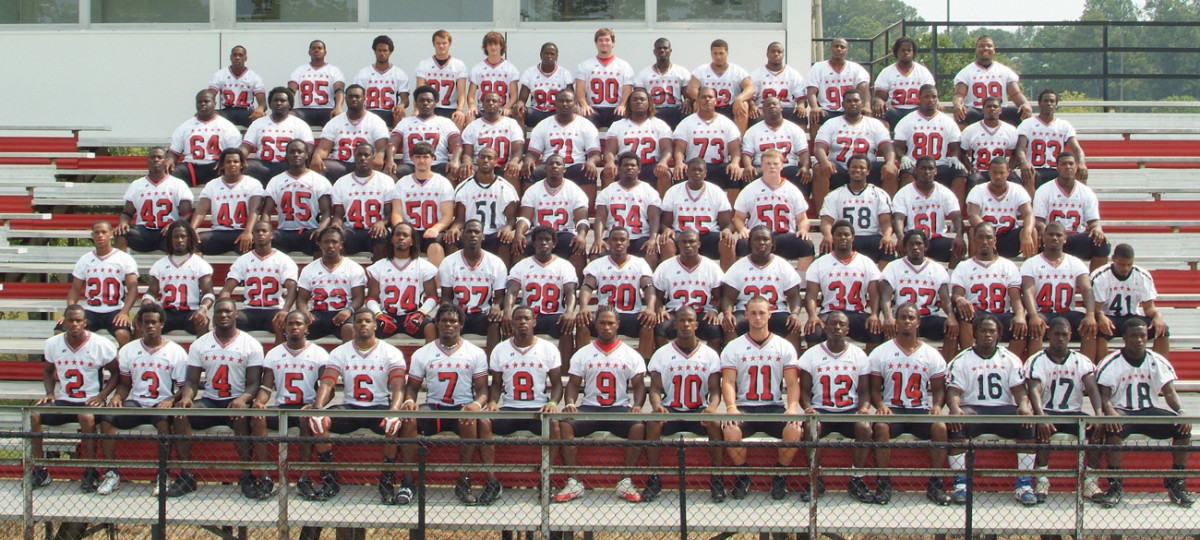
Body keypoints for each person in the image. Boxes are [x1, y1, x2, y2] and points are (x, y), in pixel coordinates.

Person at [399, 303, 496, 505]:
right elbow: (412, 388)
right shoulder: (422, 353)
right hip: (434, 407)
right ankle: (408, 480)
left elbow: (482, 390)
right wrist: (409, 401)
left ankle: (464, 479)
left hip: (462, 406)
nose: (448, 325)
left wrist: (477, 405)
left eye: (453, 321)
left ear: (461, 324)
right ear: (436, 324)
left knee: (469, 419)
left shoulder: (475, 352)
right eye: (443, 321)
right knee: (408, 419)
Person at [169, 298, 267, 499]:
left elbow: (255, 383)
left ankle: (246, 475)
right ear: (213, 317)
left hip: (236, 400)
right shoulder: (200, 344)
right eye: (219, 312)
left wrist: (243, 398)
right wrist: (187, 397)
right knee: (181, 413)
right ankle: (187, 474)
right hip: (211, 400)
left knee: (240, 416)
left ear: (236, 314)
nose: (223, 315)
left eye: (227, 311)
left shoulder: (251, 344)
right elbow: (192, 381)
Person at [309, 309, 408, 504]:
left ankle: (387, 478)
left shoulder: (390, 352)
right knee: (318, 421)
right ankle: (329, 477)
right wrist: (317, 407)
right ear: (353, 326)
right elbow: (327, 382)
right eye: (359, 321)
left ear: (375, 325)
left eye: (367, 321)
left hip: (378, 407)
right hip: (350, 408)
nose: (363, 324)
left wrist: (394, 411)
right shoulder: (340, 352)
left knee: (394, 424)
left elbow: (398, 386)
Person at [1093, 319, 1194, 508]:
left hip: (1149, 410)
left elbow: (1169, 392)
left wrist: (1181, 411)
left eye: (1142, 336)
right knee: (1113, 430)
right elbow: (1104, 397)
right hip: (1123, 411)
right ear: (1124, 338)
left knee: (1182, 428)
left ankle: (1176, 482)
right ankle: (1115, 485)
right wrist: (1111, 412)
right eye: (1134, 336)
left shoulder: (1156, 360)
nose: (1139, 340)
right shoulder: (1111, 362)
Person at [554, 306, 648, 503]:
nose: (606, 327)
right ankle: (574, 481)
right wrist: (570, 403)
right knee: (564, 424)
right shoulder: (583, 353)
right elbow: (572, 384)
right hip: (590, 407)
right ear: (595, 325)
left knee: (639, 426)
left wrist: (637, 405)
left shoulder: (630, 354)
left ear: (618, 325)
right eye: (602, 323)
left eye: (610, 323)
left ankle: (625, 480)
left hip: (618, 408)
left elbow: (639, 386)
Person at [945, 315, 1038, 505]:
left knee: (1027, 422)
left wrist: (1023, 405)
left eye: (992, 331)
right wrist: (954, 408)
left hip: (1001, 409)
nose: (987, 334)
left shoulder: (1010, 359)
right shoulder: (962, 359)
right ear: (975, 333)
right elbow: (953, 392)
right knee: (955, 423)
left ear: (998, 335)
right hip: (974, 410)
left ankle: (1024, 483)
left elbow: (1020, 390)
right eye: (983, 330)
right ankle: (961, 483)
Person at [719, 295, 803, 500]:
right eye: (753, 313)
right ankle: (743, 473)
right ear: (746, 315)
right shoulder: (734, 347)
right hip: (745, 407)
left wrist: (792, 407)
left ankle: (779, 475)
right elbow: (728, 382)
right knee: (730, 429)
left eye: (762, 313)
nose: (758, 317)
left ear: (769, 315)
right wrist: (731, 407)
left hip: (773, 407)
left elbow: (792, 383)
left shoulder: (783, 346)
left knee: (794, 428)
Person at [97, 303, 187, 496]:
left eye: (154, 322)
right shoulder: (129, 350)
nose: (150, 326)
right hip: (137, 402)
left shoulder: (176, 352)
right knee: (107, 417)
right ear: (139, 324)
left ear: (162, 324)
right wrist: (117, 397)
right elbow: (124, 384)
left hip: (160, 402)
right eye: (145, 322)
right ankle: (112, 473)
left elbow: (183, 387)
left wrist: (171, 399)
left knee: (164, 422)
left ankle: (163, 474)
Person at [868, 302, 952, 505]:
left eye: (911, 318)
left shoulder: (931, 355)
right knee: (880, 426)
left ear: (918, 322)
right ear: (896, 322)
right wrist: (879, 405)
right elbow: (873, 389)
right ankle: (884, 482)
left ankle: (936, 483)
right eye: (903, 317)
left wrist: (938, 406)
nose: (907, 321)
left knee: (940, 426)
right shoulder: (881, 352)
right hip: (893, 408)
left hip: (920, 409)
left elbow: (939, 389)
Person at [32, 304, 118, 492]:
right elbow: (48, 372)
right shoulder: (53, 344)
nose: (74, 324)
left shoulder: (100, 344)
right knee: (34, 414)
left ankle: (90, 470)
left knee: (86, 417)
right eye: (70, 320)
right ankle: (40, 469)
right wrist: (50, 393)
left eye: (78, 320)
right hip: (66, 400)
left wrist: (102, 395)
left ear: (85, 323)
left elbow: (116, 374)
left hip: (90, 400)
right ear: (63, 322)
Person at [644, 306, 726, 501]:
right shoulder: (662, 354)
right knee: (653, 421)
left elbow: (715, 390)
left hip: (697, 410)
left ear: (697, 325)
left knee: (714, 423)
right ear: (675, 324)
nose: (686, 324)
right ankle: (654, 477)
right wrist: (657, 405)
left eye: (690, 321)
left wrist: (712, 407)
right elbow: (655, 389)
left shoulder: (709, 354)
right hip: (671, 408)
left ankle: (717, 477)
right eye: (682, 320)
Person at [485, 305, 564, 498]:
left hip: (537, 409)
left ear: (534, 322)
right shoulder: (500, 350)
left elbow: (557, 385)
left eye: (527, 318)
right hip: (510, 408)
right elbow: (495, 385)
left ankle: (546, 479)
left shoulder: (548, 348)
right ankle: (491, 480)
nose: (522, 322)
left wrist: (552, 404)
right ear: (511, 322)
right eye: (518, 318)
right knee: (483, 421)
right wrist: (493, 402)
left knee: (554, 423)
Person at [797, 311, 875, 503]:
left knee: (864, 426)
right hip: (821, 410)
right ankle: (815, 478)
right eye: (833, 324)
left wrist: (864, 408)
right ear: (825, 326)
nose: (837, 328)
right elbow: (804, 392)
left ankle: (857, 479)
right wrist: (808, 408)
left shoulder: (859, 355)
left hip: (848, 410)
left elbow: (864, 392)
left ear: (848, 329)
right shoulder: (811, 355)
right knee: (810, 427)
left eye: (841, 325)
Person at [1024, 316, 1104, 502]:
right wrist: (1041, 416)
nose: (1060, 338)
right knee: (1042, 429)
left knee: (1098, 428)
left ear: (1070, 337)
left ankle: (1090, 481)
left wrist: (1099, 414)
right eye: (1057, 334)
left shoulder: (1081, 361)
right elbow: (1034, 390)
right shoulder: (1037, 360)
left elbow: (1092, 389)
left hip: (1073, 413)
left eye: (1064, 335)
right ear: (1049, 335)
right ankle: (1042, 479)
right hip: (1047, 411)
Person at [251, 311, 328, 503]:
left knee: (306, 418)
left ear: (306, 327)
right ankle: (266, 476)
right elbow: (265, 387)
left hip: (306, 406)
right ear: (284, 328)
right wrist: (259, 402)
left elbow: (329, 389)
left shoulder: (319, 353)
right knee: (257, 417)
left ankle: (304, 477)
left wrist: (315, 405)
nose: (294, 327)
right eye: (290, 324)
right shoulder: (274, 354)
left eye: (298, 324)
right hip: (282, 408)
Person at [719, 226, 806, 352]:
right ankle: (730, 364)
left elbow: (794, 295)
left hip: (775, 310)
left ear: (772, 243)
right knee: (730, 324)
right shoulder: (739, 267)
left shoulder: (783, 266)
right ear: (749, 243)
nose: (761, 242)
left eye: (765, 239)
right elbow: (728, 296)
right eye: (757, 239)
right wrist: (727, 314)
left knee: (792, 324)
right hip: (746, 312)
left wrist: (795, 313)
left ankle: (793, 366)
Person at [1021, 221, 1099, 360]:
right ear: (1043, 237)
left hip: (1067, 313)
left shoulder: (1075, 263)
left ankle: (1087, 369)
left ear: (1065, 238)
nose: (1054, 238)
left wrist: (1090, 315)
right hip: (1043, 312)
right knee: (1036, 326)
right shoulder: (1031, 263)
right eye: (1050, 234)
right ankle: (1034, 369)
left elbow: (1087, 289)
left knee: (1089, 327)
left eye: (1058, 235)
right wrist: (1033, 315)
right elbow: (1027, 290)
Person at [576, 227, 656, 360]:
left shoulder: (639, 263)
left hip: (631, 314)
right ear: (608, 242)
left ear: (628, 242)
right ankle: (584, 361)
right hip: (604, 315)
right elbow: (586, 287)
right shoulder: (597, 264)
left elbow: (648, 287)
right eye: (614, 239)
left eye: (622, 240)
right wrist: (583, 307)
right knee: (582, 322)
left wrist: (650, 308)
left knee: (648, 322)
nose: (618, 243)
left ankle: (643, 365)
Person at [879, 230, 959, 361]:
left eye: (918, 244)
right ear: (905, 247)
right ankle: (890, 364)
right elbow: (886, 297)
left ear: (925, 246)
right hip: (903, 318)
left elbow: (945, 299)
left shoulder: (937, 269)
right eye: (911, 244)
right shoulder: (893, 267)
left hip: (928, 317)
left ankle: (946, 368)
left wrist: (951, 316)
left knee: (952, 328)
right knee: (890, 326)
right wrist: (888, 317)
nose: (915, 247)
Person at [804, 220, 885, 350]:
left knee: (875, 331)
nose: (842, 237)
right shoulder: (820, 263)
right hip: (829, 313)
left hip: (857, 312)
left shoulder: (866, 263)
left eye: (846, 235)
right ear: (832, 237)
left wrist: (874, 314)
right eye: (839, 234)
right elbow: (810, 295)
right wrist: (812, 316)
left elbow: (875, 294)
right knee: (814, 331)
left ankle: (871, 368)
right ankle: (816, 366)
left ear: (852, 238)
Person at [503, 226, 579, 363]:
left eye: (547, 239)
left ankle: (565, 371)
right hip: (529, 315)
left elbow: (570, 292)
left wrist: (569, 312)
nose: (543, 243)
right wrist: (508, 311)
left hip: (555, 315)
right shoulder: (522, 265)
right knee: (510, 322)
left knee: (567, 325)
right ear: (534, 243)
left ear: (554, 244)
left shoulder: (564, 266)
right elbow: (511, 292)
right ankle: (511, 363)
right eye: (539, 239)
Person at [950, 222, 1028, 355]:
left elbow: (1015, 298)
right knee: (962, 314)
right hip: (976, 314)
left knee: (1021, 323)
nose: (984, 241)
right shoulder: (963, 266)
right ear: (974, 240)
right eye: (980, 237)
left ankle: (1011, 364)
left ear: (994, 240)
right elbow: (956, 294)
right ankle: (968, 357)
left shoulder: (1008, 266)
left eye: (988, 237)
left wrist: (1020, 315)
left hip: (1001, 315)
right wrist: (960, 299)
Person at [730, 149, 814, 272]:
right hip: (758, 237)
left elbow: (803, 219)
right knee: (742, 243)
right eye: (768, 164)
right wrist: (742, 229)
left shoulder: (792, 190)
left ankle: (800, 283)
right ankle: (744, 278)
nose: (772, 167)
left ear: (782, 166)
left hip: (784, 235)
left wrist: (803, 229)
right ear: (762, 165)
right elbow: (738, 217)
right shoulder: (750, 189)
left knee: (806, 245)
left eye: (775, 164)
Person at [812, 89, 897, 209]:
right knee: (819, 167)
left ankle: (888, 212)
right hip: (840, 169)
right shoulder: (831, 123)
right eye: (849, 101)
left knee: (891, 170)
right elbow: (819, 147)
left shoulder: (874, 124)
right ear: (843, 105)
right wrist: (825, 161)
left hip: (867, 170)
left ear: (862, 103)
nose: (853, 104)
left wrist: (890, 162)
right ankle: (822, 214)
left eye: (856, 100)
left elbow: (887, 147)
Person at [510, 154, 591, 273]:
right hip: (539, 233)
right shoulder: (533, 190)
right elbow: (525, 218)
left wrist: (581, 235)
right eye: (551, 164)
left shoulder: (574, 190)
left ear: (564, 169)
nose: (554, 166)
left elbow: (582, 219)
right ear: (545, 168)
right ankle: (518, 279)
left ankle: (576, 286)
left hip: (564, 232)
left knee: (577, 245)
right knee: (520, 245)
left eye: (558, 164)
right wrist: (518, 233)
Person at [220, 221, 298, 344]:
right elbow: (226, 290)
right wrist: (225, 309)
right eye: (257, 231)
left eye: (264, 231)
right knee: (225, 321)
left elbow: (292, 288)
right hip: (249, 310)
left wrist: (285, 310)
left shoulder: (283, 260)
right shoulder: (243, 260)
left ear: (271, 235)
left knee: (283, 321)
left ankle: (277, 359)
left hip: (274, 309)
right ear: (253, 234)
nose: (260, 234)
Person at [63, 221, 139, 347]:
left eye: (103, 232)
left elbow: (133, 288)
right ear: (92, 235)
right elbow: (75, 289)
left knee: (123, 334)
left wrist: (125, 312)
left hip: (114, 309)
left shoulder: (124, 258)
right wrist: (69, 312)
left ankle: (123, 365)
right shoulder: (85, 260)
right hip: (90, 310)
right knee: (61, 330)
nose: (100, 235)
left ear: (110, 234)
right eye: (97, 232)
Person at [892, 85, 968, 207]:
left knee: (959, 172)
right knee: (907, 172)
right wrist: (903, 157)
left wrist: (954, 157)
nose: (930, 100)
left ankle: (955, 209)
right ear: (919, 99)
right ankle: (907, 208)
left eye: (934, 97)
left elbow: (955, 147)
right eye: (926, 97)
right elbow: (898, 147)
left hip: (940, 164)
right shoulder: (907, 120)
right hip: (915, 164)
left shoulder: (947, 121)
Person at [439, 220, 508, 354]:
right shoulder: (449, 262)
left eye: (477, 232)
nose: (473, 235)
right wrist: (446, 311)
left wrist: (496, 307)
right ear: (462, 235)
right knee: (444, 320)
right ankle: (446, 357)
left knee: (494, 321)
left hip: (483, 314)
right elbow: (446, 296)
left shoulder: (495, 263)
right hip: (458, 313)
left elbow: (500, 297)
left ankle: (491, 364)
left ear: (483, 236)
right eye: (469, 231)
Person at [1032, 152, 1111, 270]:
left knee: (1102, 244)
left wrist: (1097, 229)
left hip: (1076, 237)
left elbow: (1093, 221)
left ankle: (1093, 281)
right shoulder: (1044, 190)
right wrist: (1043, 229)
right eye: (1064, 164)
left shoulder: (1086, 192)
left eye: (1071, 164)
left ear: (1076, 167)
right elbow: (1038, 220)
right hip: (1052, 238)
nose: (1067, 166)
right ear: (1057, 167)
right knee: (1036, 236)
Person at [522, 89, 602, 203]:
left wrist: (592, 161)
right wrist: (529, 160)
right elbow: (532, 153)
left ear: (575, 104)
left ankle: (585, 213)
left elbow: (596, 154)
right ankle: (530, 207)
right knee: (529, 172)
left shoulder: (586, 125)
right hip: (550, 166)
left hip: (574, 165)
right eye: (561, 101)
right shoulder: (543, 124)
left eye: (568, 101)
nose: (564, 104)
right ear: (555, 103)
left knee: (588, 172)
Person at [1091, 244, 1171, 359]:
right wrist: (1100, 316)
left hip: (1133, 317)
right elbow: (1095, 307)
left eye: (1129, 264)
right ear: (1113, 259)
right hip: (1109, 317)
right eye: (1122, 264)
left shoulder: (1142, 276)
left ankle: (1158, 367)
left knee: (1162, 329)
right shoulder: (1100, 276)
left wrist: (1158, 316)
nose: (1126, 268)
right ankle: (1102, 367)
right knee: (1101, 330)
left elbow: (1148, 308)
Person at [366, 222, 439, 343]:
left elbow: (433, 297)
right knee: (365, 327)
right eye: (398, 234)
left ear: (412, 241)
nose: (401, 237)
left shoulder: (423, 266)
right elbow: (371, 299)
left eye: (405, 235)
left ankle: (428, 360)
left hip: (413, 315)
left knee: (431, 327)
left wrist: (421, 313)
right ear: (391, 239)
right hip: (386, 316)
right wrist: (379, 315)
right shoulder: (379, 266)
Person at [818, 153, 896, 263]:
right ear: (848, 170)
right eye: (854, 167)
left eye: (862, 167)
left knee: (888, 247)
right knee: (827, 246)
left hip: (871, 236)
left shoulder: (879, 194)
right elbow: (826, 221)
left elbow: (886, 222)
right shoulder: (835, 195)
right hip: (845, 237)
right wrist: (827, 235)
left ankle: (879, 279)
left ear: (868, 171)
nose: (857, 170)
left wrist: (887, 236)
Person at [445, 147, 520, 263]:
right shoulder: (464, 187)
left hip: (495, 234)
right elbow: (460, 219)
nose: (485, 160)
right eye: (482, 157)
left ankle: (504, 276)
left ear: (496, 162)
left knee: (505, 239)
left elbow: (511, 219)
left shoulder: (506, 188)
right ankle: (454, 275)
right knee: (451, 238)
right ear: (477, 161)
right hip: (471, 233)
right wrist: (454, 228)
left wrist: (508, 228)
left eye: (489, 158)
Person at [652, 230, 724, 349]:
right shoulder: (665, 266)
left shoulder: (711, 267)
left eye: (692, 242)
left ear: (699, 244)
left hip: (702, 313)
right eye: (684, 242)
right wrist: (660, 310)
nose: (688, 245)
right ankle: (665, 359)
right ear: (678, 244)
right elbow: (657, 297)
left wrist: (714, 311)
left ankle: (713, 364)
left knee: (714, 329)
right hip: (675, 313)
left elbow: (720, 297)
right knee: (660, 327)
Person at [388, 141, 456, 266]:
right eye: (418, 157)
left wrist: (435, 229)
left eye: (425, 157)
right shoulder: (402, 183)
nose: (422, 161)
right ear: (412, 159)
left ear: (433, 158)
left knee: (435, 247)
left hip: (432, 229)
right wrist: (404, 230)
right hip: (410, 229)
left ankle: (439, 284)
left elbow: (448, 215)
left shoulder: (442, 183)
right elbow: (396, 213)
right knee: (399, 240)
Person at [658, 157, 734, 268]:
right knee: (666, 241)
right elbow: (664, 222)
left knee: (727, 241)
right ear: (687, 171)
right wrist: (666, 229)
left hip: (708, 235)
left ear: (705, 173)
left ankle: (727, 281)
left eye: (700, 170)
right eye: (693, 170)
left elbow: (728, 222)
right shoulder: (674, 191)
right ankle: (668, 278)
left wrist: (727, 230)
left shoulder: (716, 191)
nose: (696, 173)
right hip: (681, 234)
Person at [114, 147, 194, 252]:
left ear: (165, 161)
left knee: (179, 234)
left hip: (168, 232)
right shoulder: (137, 185)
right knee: (120, 232)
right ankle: (121, 267)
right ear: (147, 161)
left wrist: (174, 225)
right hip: (144, 232)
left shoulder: (178, 184)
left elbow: (187, 214)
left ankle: (179, 268)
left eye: (159, 157)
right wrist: (123, 223)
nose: (156, 159)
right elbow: (127, 213)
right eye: (152, 157)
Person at [672, 87, 744, 202]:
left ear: (715, 100)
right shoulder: (686, 123)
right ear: (698, 101)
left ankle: (731, 215)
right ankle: (683, 210)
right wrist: (679, 163)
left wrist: (735, 163)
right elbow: (679, 149)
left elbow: (735, 150)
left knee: (734, 174)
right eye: (703, 97)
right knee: (680, 173)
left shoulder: (726, 123)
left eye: (710, 97)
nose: (707, 100)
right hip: (694, 166)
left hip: (719, 166)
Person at [891, 157, 967, 266]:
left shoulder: (944, 192)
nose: (927, 171)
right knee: (902, 246)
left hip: (936, 238)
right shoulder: (904, 193)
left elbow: (956, 216)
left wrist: (959, 235)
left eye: (930, 168)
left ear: (936, 171)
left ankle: (950, 279)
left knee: (958, 248)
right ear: (916, 170)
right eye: (923, 168)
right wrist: (900, 237)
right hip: (913, 239)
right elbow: (898, 218)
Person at [262, 139, 333, 255]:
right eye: (292, 152)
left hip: (308, 231)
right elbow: (266, 212)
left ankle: (317, 272)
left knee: (320, 238)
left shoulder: (319, 180)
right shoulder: (275, 181)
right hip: (283, 231)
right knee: (265, 239)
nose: (296, 154)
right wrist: (266, 230)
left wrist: (321, 229)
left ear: (306, 155)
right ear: (286, 155)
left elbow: (326, 213)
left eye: (299, 152)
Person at [143, 221, 214, 336]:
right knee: (141, 323)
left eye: (183, 236)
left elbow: (209, 293)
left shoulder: (200, 264)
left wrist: (203, 309)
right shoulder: (159, 265)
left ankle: (201, 353)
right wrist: (146, 305)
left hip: (190, 311)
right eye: (175, 237)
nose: (179, 240)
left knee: (203, 322)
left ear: (189, 239)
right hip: (166, 313)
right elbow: (151, 293)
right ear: (170, 240)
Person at [296, 227, 367, 343]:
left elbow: (359, 297)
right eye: (326, 242)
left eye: (334, 242)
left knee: (350, 328)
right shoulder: (309, 269)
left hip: (343, 312)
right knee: (295, 325)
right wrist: (305, 312)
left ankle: (348, 360)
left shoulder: (354, 268)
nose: (330, 245)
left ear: (341, 244)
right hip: (317, 314)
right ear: (319, 244)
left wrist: (348, 310)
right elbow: (301, 298)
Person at [593, 152, 663, 267]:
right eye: (625, 165)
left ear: (639, 169)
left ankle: (648, 283)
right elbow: (600, 217)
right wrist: (597, 239)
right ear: (619, 169)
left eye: (632, 165)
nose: (629, 168)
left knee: (651, 253)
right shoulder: (608, 191)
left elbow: (654, 218)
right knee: (596, 253)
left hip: (640, 236)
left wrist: (652, 239)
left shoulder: (648, 191)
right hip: (614, 237)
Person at [191, 148, 264, 255]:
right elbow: (201, 211)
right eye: (228, 162)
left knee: (253, 243)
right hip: (219, 232)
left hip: (242, 231)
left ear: (242, 164)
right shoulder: (212, 185)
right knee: (193, 242)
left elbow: (255, 210)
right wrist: (192, 229)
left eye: (235, 161)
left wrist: (248, 231)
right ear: (222, 165)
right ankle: (200, 271)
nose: (232, 164)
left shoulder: (253, 184)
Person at [309, 84, 390, 181]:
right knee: (322, 166)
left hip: (365, 164)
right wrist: (317, 156)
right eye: (350, 97)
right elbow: (323, 149)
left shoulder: (376, 121)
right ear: (345, 99)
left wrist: (380, 156)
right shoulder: (334, 122)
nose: (354, 99)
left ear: (364, 99)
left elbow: (382, 148)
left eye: (357, 96)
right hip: (340, 163)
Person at [329, 142, 394, 260]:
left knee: (382, 236)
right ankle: (341, 273)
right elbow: (338, 214)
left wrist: (382, 223)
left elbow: (390, 213)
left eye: (366, 155)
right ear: (355, 156)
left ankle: (378, 274)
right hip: (352, 229)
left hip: (375, 229)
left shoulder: (385, 181)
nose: (363, 158)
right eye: (359, 155)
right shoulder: (341, 182)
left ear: (373, 157)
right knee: (336, 236)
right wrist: (336, 225)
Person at [601, 87, 673, 192]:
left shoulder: (660, 125)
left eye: (642, 99)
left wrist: (663, 162)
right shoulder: (617, 125)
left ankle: (663, 207)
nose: (638, 102)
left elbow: (667, 149)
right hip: (626, 166)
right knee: (608, 173)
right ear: (629, 104)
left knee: (664, 173)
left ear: (649, 103)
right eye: (634, 100)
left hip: (650, 166)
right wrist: (610, 162)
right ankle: (608, 205)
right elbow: (609, 151)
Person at [1015, 89, 1088, 190]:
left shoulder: (1064, 125)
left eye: (1052, 101)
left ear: (1056, 105)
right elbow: (1020, 149)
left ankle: (1078, 203)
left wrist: (1082, 163)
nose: (1048, 103)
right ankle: (1032, 205)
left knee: (1080, 172)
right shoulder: (1027, 124)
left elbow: (1077, 149)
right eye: (1045, 101)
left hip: (1057, 169)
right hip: (1035, 169)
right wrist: (1024, 163)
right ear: (1039, 103)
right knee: (1029, 174)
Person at [386, 85, 465, 179]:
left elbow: (457, 143)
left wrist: (455, 160)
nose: (425, 103)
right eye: (421, 100)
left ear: (435, 102)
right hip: (411, 165)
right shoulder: (405, 122)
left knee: (453, 170)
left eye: (429, 100)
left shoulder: (445, 122)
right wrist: (390, 160)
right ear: (415, 103)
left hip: (438, 164)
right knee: (392, 171)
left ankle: (450, 194)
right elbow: (392, 143)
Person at [951, 35, 1032, 126]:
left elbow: (1016, 94)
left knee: (1020, 112)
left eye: (989, 46)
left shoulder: (1005, 71)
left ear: (994, 50)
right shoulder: (965, 72)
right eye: (981, 46)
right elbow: (959, 95)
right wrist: (957, 104)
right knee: (963, 113)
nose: (985, 48)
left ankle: (1017, 139)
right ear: (976, 50)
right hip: (977, 111)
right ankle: (962, 139)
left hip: (998, 111)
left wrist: (1025, 104)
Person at [167, 89, 242, 186]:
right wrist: (169, 160)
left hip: (215, 166)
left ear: (214, 104)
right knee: (169, 173)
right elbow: (174, 152)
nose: (202, 104)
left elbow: (235, 153)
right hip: (191, 166)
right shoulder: (185, 127)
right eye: (199, 102)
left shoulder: (227, 127)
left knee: (230, 169)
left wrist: (224, 163)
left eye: (206, 101)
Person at [241, 86, 316, 181]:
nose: (278, 103)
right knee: (244, 166)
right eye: (275, 100)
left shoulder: (300, 124)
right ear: (270, 104)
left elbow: (308, 147)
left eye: (282, 100)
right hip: (262, 165)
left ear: (290, 105)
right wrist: (237, 156)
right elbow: (246, 146)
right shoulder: (258, 123)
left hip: (287, 165)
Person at [965, 159, 1036, 259]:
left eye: (1001, 172)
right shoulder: (978, 190)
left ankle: (1031, 267)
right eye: (994, 172)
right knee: (974, 230)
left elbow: (1029, 213)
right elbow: (973, 215)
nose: (998, 176)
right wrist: (989, 234)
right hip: (987, 239)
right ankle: (974, 268)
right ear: (989, 172)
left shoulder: (1017, 190)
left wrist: (1027, 232)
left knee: (1032, 231)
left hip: (1009, 238)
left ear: (1008, 172)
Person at [740, 96, 810, 192]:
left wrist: (805, 167)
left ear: (781, 107)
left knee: (802, 174)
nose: (771, 106)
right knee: (749, 174)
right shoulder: (752, 131)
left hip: (787, 167)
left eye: (774, 104)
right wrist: (748, 166)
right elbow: (746, 154)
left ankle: (803, 205)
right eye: (767, 105)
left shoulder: (795, 129)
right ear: (762, 110)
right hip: (762, 168)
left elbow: (804, 153)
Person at [686, 39, 754, 133]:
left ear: (727, 53)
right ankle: (700, 135)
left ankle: (738, 141)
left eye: (721, 53)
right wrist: (699, 98)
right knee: (696, 103)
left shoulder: (737, 70)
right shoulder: (702, 70)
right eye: (715, 53)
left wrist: (740, 98)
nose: (718, 57)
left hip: (730, 106)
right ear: (711, 54)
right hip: (710, 105)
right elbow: (691, 88)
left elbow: (750, 87)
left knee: (743, 105)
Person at [574, 27, 635, 130]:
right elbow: (580, 89)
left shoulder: (624, 66)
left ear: (613, 43)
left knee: (624, 121)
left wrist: (623, 105)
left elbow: (627, 90)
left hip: (615, 108)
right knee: (584, 121)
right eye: (600, 40)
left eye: (607, 40)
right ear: (596, 43)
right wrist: (584, 105)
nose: (604, 43)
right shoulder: (585, 65)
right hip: (593, 107)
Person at [460, 92, 527, 182]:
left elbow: (518, 150)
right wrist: (467, 162)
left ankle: (514, 196)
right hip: (479, 165)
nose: (491, 103)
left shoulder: (511, 124)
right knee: (466, 170)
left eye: (494, 101)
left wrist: (514, 161)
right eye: (487, 101)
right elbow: (467, 153)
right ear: (482, 104)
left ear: (500, 104)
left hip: (504, 165)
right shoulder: (473, 126)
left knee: (512, 171)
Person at [872, 37, 936, 130]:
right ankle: (886, 139)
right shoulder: (887, 72)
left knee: (932, 111)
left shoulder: (923, 71)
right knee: (880, 112)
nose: (906, 53)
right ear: (896, 52)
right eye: (902, 50)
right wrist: (879, 101)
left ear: (913, 52)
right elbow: (879, 97)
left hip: (917, 108)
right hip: (894, 110)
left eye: (909, 50)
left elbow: (931, 93)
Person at [806, 38, 871, 128]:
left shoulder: (856, 69)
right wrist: (814, 107)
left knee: (866, 113)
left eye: (842, 47)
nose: (839, 49)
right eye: (836, 46)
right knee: (816, 115)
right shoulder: (818, 67)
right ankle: (816, 142)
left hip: (850, 108)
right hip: (827, 109)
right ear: (831, 48)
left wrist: (867, 105)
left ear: (847, 50)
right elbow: (811, 91)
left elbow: (864, 89)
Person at [958, 96, 1021, 186]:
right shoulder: (971, 130)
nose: (992, 109)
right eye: (988, 106)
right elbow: (962, 152)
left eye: (995, 107)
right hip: (981, 171)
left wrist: (1009, 168)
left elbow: (1015, 153)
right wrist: (970, 168)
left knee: (1016, 181)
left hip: (1001, 171)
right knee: (973, 180)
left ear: (1000, 110)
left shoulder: (1010, 130)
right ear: (983, 110)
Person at [353, 35, 410, 129]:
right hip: (368, 112)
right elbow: (355, 95)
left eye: (385, 50)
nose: (382, 53)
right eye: (379, 50)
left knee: (399, 112)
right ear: (374, 51)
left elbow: (405, 99)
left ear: (390, 52)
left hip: (389, 113)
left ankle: (394, 139)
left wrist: (401, 105)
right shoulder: (363, 73)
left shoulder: (399, 74)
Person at [414, 29, 469, 127]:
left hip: (451, 108)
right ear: (433, 44)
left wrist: (460, 110)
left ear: (450, 44)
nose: (441, 46)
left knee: (459, 119)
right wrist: (416, 110)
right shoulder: (424, 64)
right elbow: (419, 91)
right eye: (438, 43)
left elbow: (461, 92)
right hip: (429, 107)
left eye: (444, 43)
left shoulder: (458, 65)